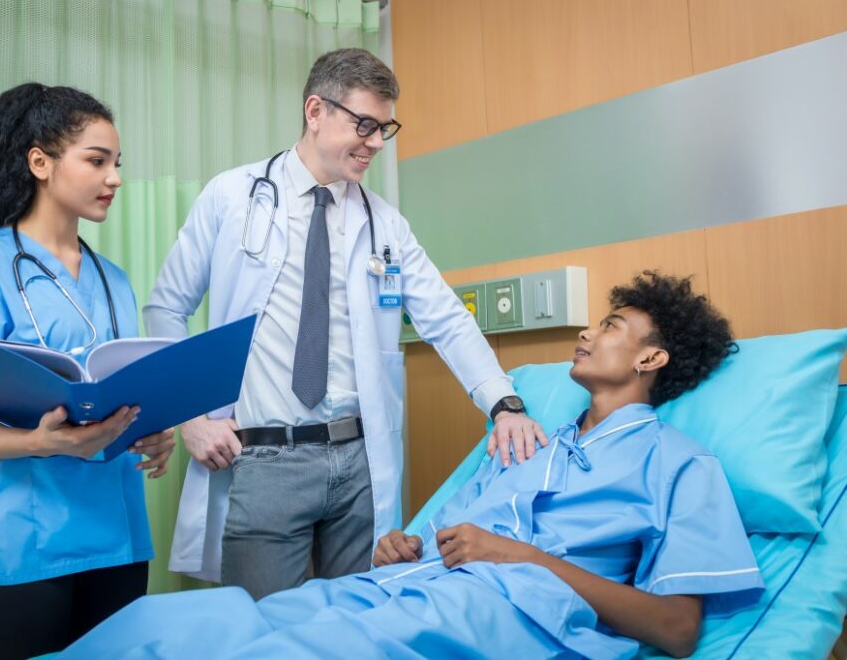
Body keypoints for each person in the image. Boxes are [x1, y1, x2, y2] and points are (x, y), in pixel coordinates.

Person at [58, 271, 764, 659]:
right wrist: (412, 547)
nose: (587, 330)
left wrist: (516, 557)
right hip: (408, 588)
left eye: (611, 326)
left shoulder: (679, 466)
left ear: (651, 358)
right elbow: (471, 538)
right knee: (187, 624)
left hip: (510, 618)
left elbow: (676, 631)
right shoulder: (528, 445)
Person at [144, 48, 547, 599]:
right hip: (264, 459)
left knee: (357, 625)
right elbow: (165, 307)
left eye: (385, 128)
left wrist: (503, 402)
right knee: (266, 633)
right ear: (315, 110)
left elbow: (446, 319)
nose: (376, 143)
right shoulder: (232, 196)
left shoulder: (386, 225)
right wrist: (190, 417)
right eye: (364, 124)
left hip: (359, 462)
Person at [0, 83, 176, 660]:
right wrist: (38, 441)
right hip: (23, 541)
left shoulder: (114, 280)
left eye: (116, 164)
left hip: (117, 535)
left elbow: (122, 394)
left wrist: (153, 431)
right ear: (40, 163)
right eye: (96, 161)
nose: (115, 179)